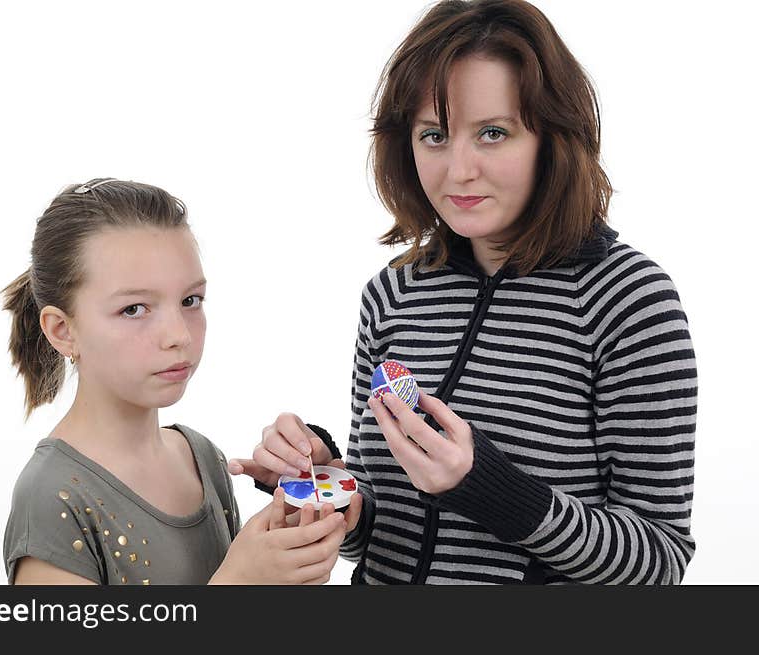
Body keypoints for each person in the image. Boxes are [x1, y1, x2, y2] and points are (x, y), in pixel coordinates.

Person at [229, 0, 697, 584]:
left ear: (553, 137)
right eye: (434, 135)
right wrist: (328, 482)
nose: (459, 170)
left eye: (493, 133)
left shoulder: (627, 300)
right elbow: (381, 523)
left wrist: (485, 487)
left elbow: (658, 562)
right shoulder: (392, 294)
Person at [1, 178, 359, 585]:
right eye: (134, 308)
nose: (179, 336)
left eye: (190, 301)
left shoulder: (202, 458)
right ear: (63, 330)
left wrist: (290, 547)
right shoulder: (51, 497)